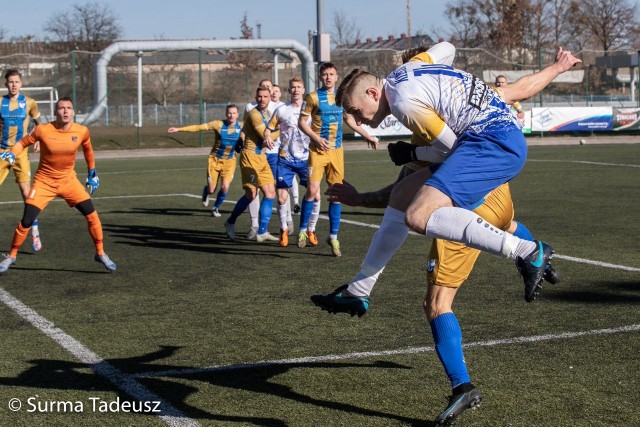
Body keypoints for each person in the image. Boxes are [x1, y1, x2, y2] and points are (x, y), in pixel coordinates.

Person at [312, 44, 578, 424]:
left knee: (432, 278)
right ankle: (359, 289)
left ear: (374, 92)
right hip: (498, 186)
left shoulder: (410, 104)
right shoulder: (433, 82)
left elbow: (453, 150)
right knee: (409, 196)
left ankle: (464, 380)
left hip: (484, 169)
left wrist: (411, 154)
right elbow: (458, 54)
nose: (356, 120)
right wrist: (558, 66)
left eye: (355, 111)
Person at [0, 97, 116, 273]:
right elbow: (23, 142)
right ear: (55, 112)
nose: (65, 111)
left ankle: (100, 253)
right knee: (27, 220)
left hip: (69, 181)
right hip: (44, 182)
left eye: (69, 108)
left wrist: (92, 173)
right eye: (61, 108)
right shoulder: (42, 130)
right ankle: (11, 256)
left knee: (92, 216)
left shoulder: (82, 131)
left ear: (73, 112)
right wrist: (13, 153)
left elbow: (88, 150)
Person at [297, 62, 379, 256]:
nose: (328, 77)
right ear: (320, 77)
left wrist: (367, 135)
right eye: (324, 74)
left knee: (337, 194)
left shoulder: (341, 97)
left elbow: (349, 120)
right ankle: (302, 231)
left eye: (331, 74)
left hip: (336, 152)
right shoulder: (312, 97)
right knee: (312, 190)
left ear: (336, 77)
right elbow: (301, 122)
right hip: (317, 151)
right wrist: (316, 138)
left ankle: (334, 237)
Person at [264, 77, 321, 247]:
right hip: (285, 159)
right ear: (289, 91)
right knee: (281, 198)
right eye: (292, 87)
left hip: (307, 160)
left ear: (303, 90)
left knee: (316, 195)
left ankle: (310, 229)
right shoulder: (282, 110)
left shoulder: (311, 110)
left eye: (298, 87)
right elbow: (269, 128)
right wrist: (267, 136)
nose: (295, 90)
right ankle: (284, 229)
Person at [224, 86, 279, 243]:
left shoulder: (268, 114)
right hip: (250, 157)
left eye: (265, 96)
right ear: (256, 98)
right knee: (252, 194)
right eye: (259, 96)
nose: (262, 99)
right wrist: (283, 128)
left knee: (270, 193)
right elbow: (265, 136)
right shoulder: (254, 114)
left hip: (261, 157)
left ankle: (262, 231)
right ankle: (230, 221)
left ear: (270, 98)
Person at [168, 104, 243, 217]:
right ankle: (206, 192)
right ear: (226, 114)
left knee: (225, 187)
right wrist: (179, 129)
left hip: (230, 161)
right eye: (229, 113)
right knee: (212, 190)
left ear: (238, 114)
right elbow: (198, 127)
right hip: (214, 160)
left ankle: (215, 208)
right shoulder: (218, 124)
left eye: (234, 113)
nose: (231, 115)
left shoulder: (242, 126)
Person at [1, 69, 44, 252]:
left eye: (16, 81)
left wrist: (39, 139)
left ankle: (34, 231)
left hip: (21, 153)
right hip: (2, 152)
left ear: (21, 83)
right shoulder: (0, 102)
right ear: (6, 84)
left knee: (27, 195)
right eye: (10, 82)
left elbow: (38, 123)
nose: (13, 85)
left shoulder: (29, 103)